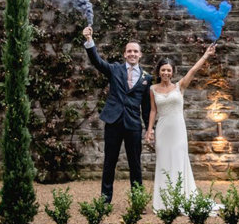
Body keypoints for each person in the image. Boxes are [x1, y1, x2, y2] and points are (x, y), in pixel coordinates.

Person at [82, 26, 152, 203]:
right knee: (109, 162)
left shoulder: (147, 78)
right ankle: (105, 201)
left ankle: (137, 200)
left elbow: (146, 106)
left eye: (135, 51)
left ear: (140, 55)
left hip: (133, 125)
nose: (132, 54)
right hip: (113, 121)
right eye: (129, 51)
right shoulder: (114, 69)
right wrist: (90, 41)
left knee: (135, 164)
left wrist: (149, 129)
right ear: (124, 54)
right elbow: (97, 62)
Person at [145, 44, 216, 212]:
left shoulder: (180, 86)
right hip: (162, 129)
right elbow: (153, 110)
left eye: (168, 70)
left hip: (178, 130)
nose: (166, 73)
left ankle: (181, 199)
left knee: (178, 159)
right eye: (163, 70)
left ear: (172, 72)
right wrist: (149, 130)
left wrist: (206, 55)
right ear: (158, 71)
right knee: (163, 162)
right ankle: (164, 202)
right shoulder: (152, 89)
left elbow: (193, 71)